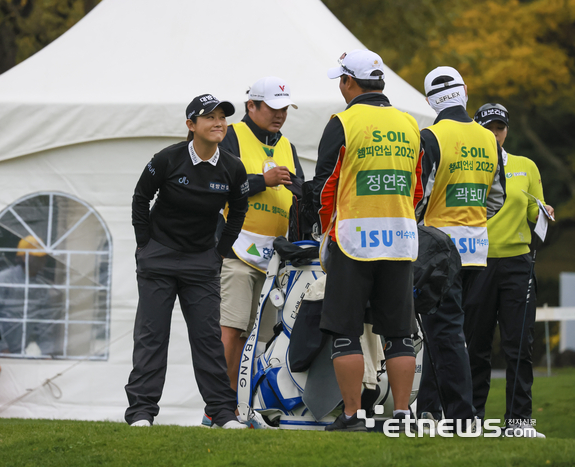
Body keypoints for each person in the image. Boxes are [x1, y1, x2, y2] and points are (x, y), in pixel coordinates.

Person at [312, 49, 423, 431]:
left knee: (345, 330)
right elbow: (417, 187)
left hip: (352, 240)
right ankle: (403, 414)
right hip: (399, 239)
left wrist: (325, 229)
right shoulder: (410, 123)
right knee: (399, 332)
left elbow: (325, 187)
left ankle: (352, 414)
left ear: (349, 82)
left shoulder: (343, 121)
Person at [125, 94, 250, 428]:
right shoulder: (167, 159)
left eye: (222, 117)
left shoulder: (232, 167)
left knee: (208, 339)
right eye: (209, 117)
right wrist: (144, 245)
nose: (218, 122)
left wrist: (220, 251)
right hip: (159, 258)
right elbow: (141, 198)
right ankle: (141, 412)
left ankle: (222, 413)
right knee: (152, 337)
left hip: (201, 262)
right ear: (191, 125)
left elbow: (238, 209)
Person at [415, 67, 506, 429]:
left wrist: (426, 226)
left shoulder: (431, 135)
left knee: (445, 332)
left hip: (439, 251)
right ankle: (428, 409)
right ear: (465, 91)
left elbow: (419, 196)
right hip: (477, 249)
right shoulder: (488, 139)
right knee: (450, 332)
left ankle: (460, 417)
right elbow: (496, 197)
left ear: (428, 101)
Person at [463, 103, 553, 437]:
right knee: (476, 343)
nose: (495, 135)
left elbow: (533, 207)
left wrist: (542, 211)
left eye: (499, 128)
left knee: (519, 345)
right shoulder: (467, 166)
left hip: (518, 263)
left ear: (507, 130)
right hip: (478, 262)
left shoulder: (525, 165)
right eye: (488, 129)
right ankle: (471, 419)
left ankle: (518, 422)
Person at [217, 76, 304, 395]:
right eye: (273, 107)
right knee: (231, 331)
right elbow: (218, 186)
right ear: (251, 105)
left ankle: (245, 402)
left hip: (275, 258)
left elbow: (299, 202)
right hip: (238, 251)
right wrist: (261, 181)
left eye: (285, 108)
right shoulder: (230, 136)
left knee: (260, 337)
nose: (280, 114)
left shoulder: (287, 146)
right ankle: (218, 406)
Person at [0, 235, 58, 356]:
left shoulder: (41, 288)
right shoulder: (3, 280)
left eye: (43, 257)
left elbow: (44, 325)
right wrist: (1, 347)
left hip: (19, 354)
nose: (43, 261)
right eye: (37, 257)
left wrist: (47, 353)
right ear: (24, 257)